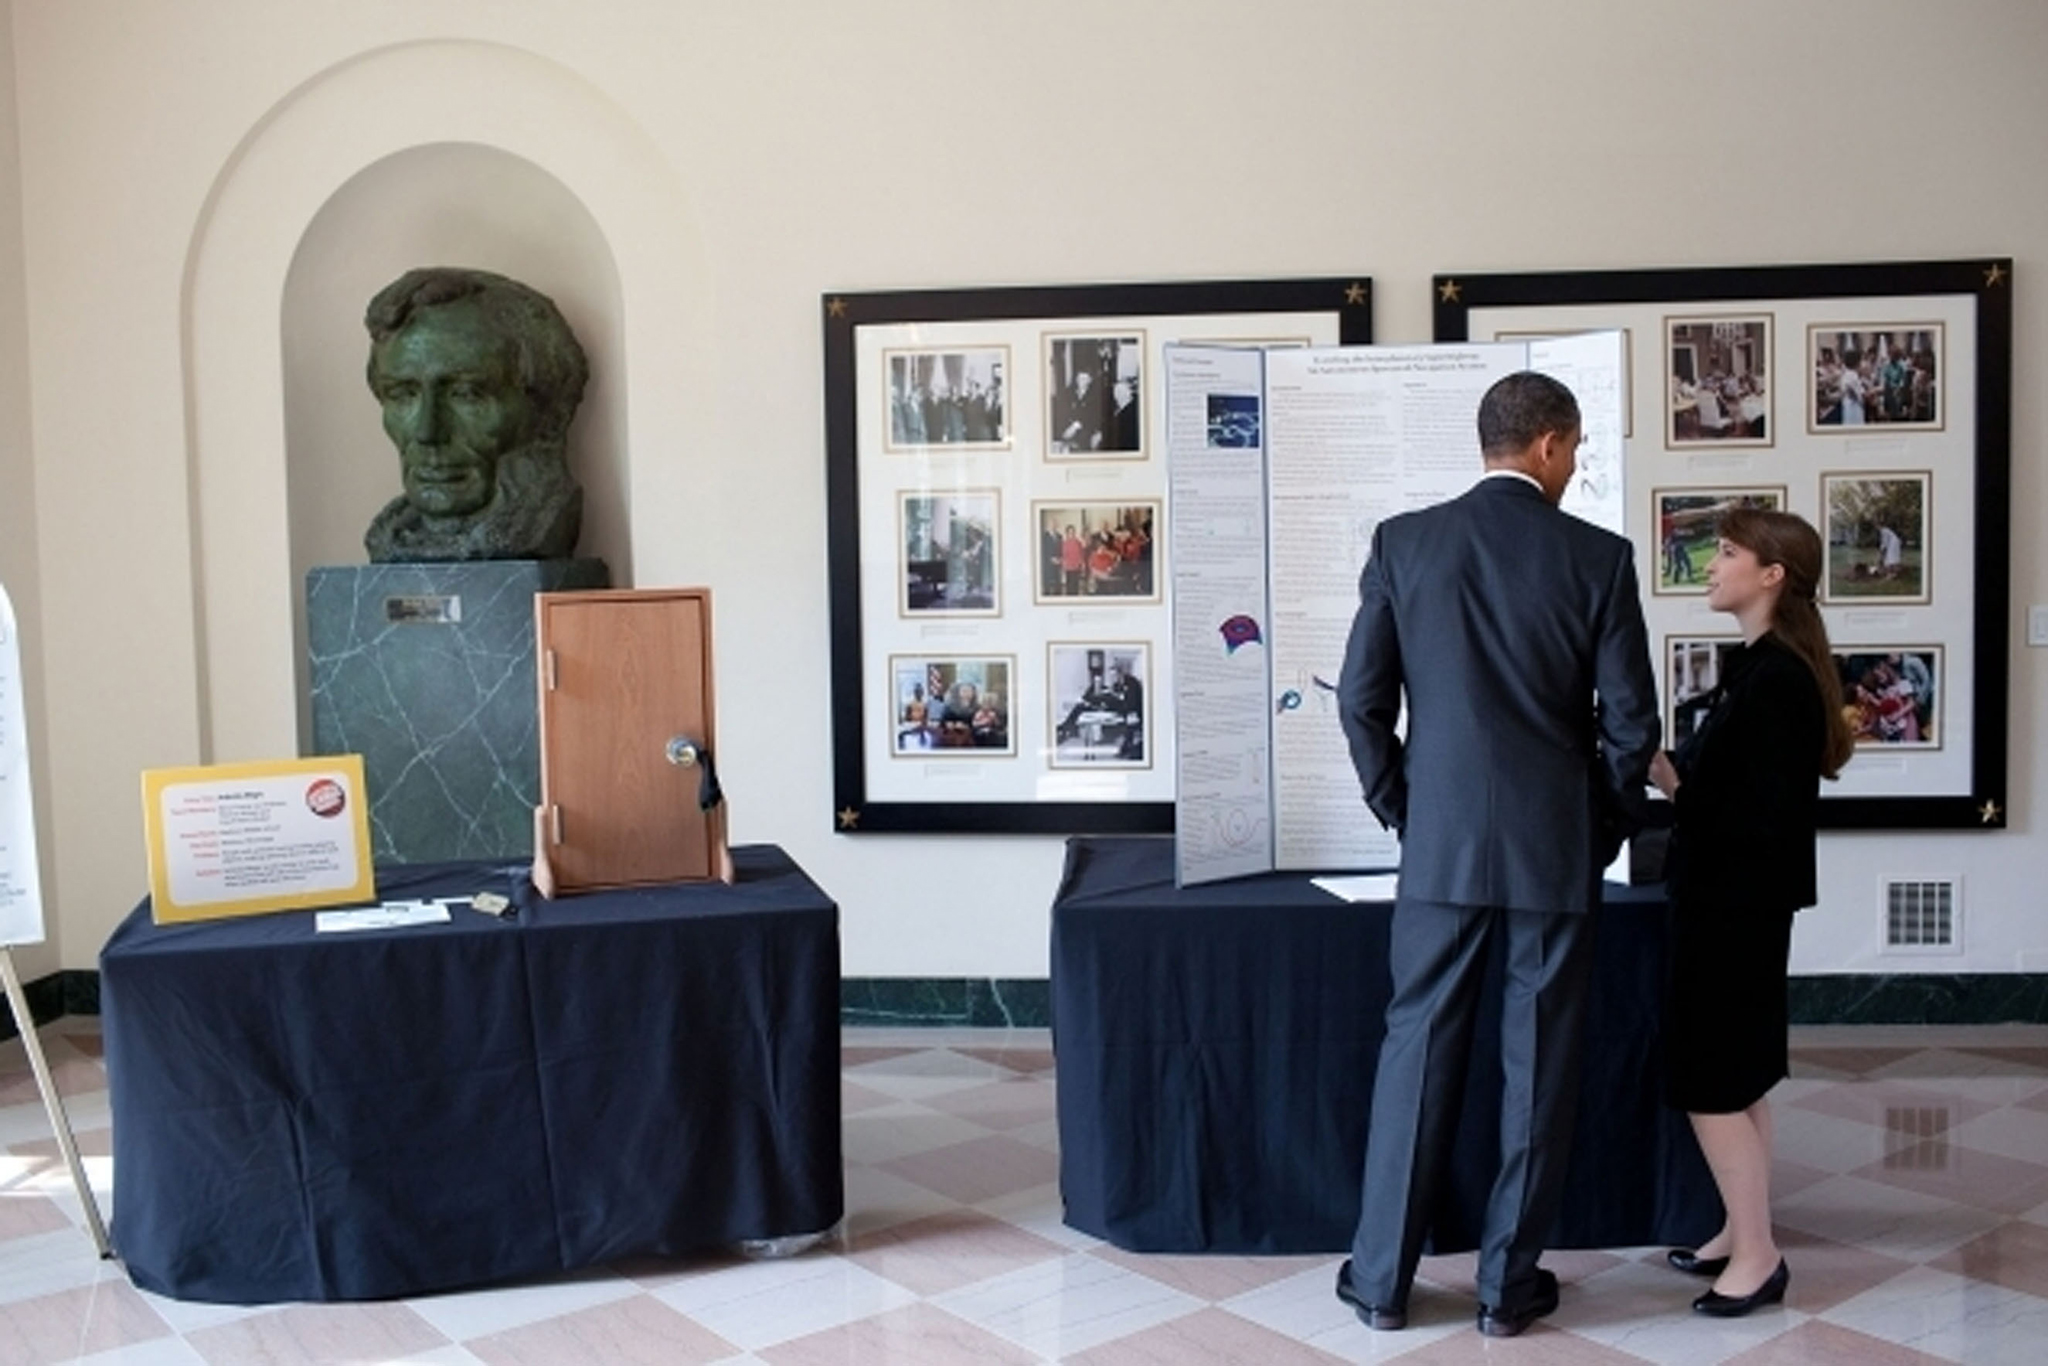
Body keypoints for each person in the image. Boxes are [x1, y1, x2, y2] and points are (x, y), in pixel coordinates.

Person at [1334, 371, 1660, 1338]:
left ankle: (1384, 1283)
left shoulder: (1407, 541)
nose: (1577, 463)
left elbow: (1359, 703)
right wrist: (1594, 822)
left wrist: (1407, 808)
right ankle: (1504, 1292)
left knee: (1417, 1054)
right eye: (1579, 447)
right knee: (1539, 1064)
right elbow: (1632, 727)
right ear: (1551, 445)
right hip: (1552, 851)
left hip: (1439, 849)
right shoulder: (1598, 557)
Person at [1650, 508, 1854, 1318]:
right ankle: (1744, 1230)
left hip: (1730, 907)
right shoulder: (1769, 667)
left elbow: (1744, 816)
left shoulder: (1775, 680)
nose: (1711, 563)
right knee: (1739, 1077)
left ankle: (1759, 1257)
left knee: (1712, 1082)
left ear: (1772, 575)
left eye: (1728, 553)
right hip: (1739, 904)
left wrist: (1673, 785)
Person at [363, 267, 589, 562]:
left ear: (547, 411)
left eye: (466, 393)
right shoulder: (391, 537)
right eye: (403, 394)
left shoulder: (538, 529)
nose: (429, 432)